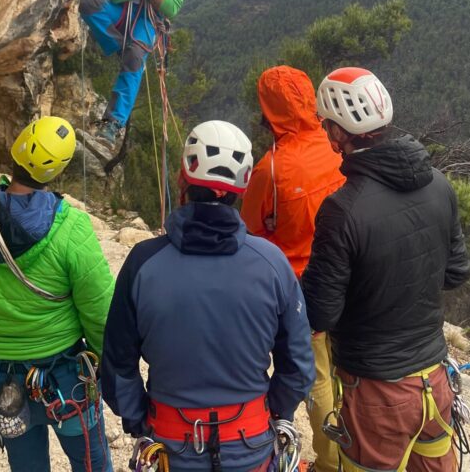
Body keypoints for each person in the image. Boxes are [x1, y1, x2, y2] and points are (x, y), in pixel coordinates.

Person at [101, 120, 314, 472]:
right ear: (241, 189)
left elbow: (118, 365)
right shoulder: (271, 263)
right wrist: (274, 411)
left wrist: (140, 420)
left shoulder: (144, 262)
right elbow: (298, 364)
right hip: (249, 441)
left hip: (171, 441)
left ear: (183, 180)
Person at [300, 68, 470, 472]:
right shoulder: (439, 185)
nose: (326, 135)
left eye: (327, 126)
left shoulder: (342, 211)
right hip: (435, 380)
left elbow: (321, 314)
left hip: (377, 393)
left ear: (339, 133)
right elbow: (456, 272)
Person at [0, 116, 115, 472]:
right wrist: (102, 361)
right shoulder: (71, 227)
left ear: (16, 151)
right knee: (90, 461)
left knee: (26, 464)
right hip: (65, 375)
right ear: (58, 170)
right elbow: (99, 310)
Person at [240, 66, 345, 472]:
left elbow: (248, 231)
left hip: (300, 287)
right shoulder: (336, 145)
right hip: (347, 275)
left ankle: (331, 462)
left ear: (269, 111)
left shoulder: (271, 170)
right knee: (345, 370)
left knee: (316, 378)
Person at [81, 0, 189, 151]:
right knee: (89, 4)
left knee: (135, 57)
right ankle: (121, 47)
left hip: (149, 21)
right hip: (121, 11)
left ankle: (113, 122)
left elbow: (171, 8)